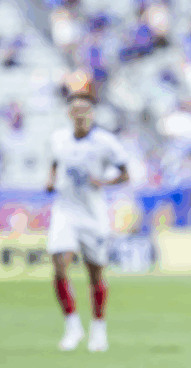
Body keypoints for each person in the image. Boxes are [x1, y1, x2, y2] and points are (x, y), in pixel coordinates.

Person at [45, 94, 129, 352]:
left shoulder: (105, 142)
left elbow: (125, 174)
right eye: (75, 110)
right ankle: (72, 326)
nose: (80, 114)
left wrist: (103, 182)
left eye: (85, 109)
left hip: (93, 215)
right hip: (65, 211)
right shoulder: (58, 138)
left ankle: (98, 328)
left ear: (92, 114)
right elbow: (55, 163)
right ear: (69, 114)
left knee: (95, 274)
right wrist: (50, 179)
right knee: (60, 266)